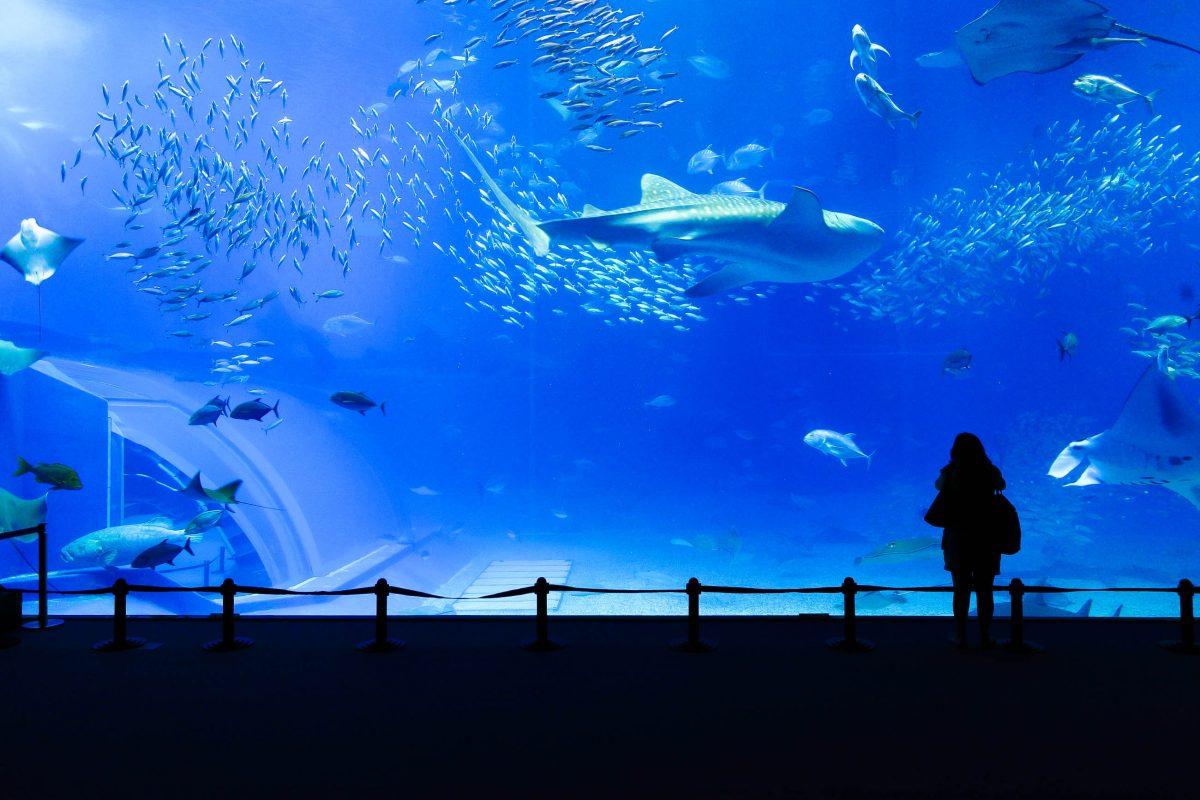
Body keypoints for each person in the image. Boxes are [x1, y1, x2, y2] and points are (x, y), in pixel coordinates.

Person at [931, 432, 1005, 648]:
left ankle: (961, 635)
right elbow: (1002, 485)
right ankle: (984, 635)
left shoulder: (951, 471)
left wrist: (953, 469)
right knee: (985, 590)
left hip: (958, 536)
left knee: (961, 590)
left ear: (955, 451)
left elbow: (937, 486)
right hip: (986, 537)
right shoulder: (989, 470)